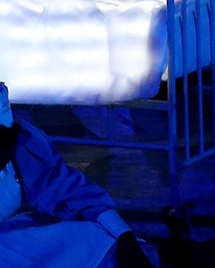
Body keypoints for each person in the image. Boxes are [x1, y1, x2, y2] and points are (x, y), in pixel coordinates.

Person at [0, 82, 159, 268]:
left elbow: (64, 187)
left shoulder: (21, 146)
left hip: (16, 239)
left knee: (96, 240)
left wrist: (124, 235)